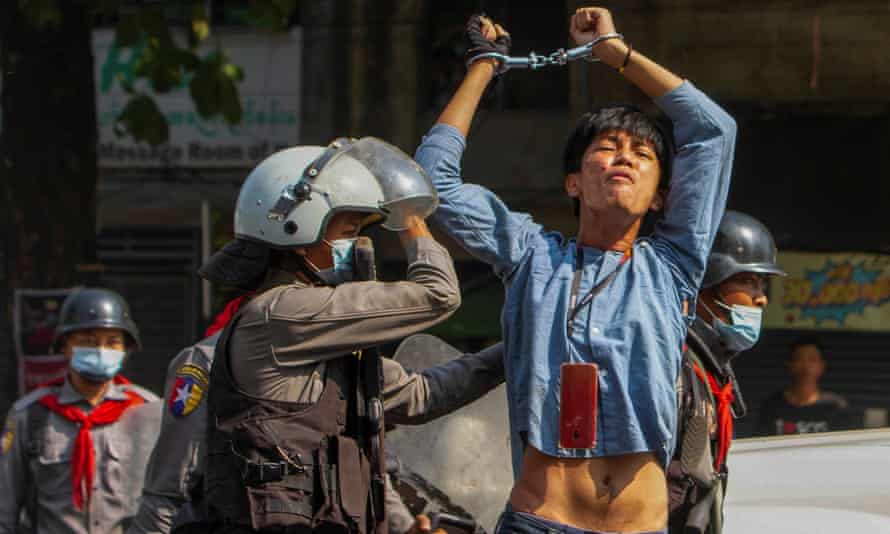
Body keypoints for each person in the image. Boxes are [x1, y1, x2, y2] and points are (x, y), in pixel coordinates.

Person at [414, 8, 737, 534]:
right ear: (572, 183)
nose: (623, 158)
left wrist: (617, 55)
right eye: (605, 149)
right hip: (540, 521)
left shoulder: (672, 265)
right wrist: (484, 67)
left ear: (661, 198)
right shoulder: (530, 253)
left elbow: (713, 130)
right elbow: (433, 179)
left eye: (641, 153)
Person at [197, 137, 505, 534]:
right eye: (350, 229)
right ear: (299, 226)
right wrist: (411, 219)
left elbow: (421, 395)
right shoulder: (283, 313)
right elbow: (438, 293)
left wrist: (516, 349)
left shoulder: (319, 334)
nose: (358, 245)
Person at [127, 318, 505, 534]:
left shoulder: (349, 360)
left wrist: (405, 528)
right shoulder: (211, 361)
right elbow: (166, 494)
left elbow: (373, 460)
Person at [0, 288, 161, 533]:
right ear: (64, 346)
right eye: (87, 340)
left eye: (112, 342)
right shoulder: (30, 415)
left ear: (126, 349)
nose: (100, 349)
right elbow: (5, 507)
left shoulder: (148, 412)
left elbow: (169, 498)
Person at [667, 211, 785, 534]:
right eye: (748, 281)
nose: (761, 298)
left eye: (761, 284)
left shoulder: (713, 368)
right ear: (710, 279)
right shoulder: (674, 367)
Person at [755, 337, 853, 436]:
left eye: (812, 359)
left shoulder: (836, 406)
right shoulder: (772, 405)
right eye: (799, 359)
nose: (806, 365)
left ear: (821, 366)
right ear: (790, 365)